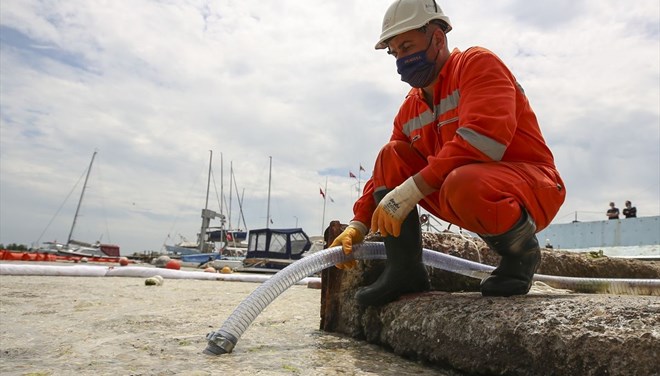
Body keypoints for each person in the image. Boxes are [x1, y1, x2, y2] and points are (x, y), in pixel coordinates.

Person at [330, 0, 565, 306]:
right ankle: (404, 271)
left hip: (531, 185)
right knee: (391, 155)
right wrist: (357, 226)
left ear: (438, 38)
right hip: (461, 186)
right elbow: (386, 173)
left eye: (406, 46)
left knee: (462, 181)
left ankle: (521, 255)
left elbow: (483, 141)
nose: (401, 58)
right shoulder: (409, 108)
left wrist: (409, 192)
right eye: (395, 52)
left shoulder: (477, 65)